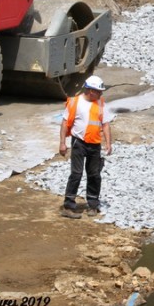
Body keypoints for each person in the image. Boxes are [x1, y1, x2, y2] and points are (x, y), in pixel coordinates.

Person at [59, 75, 114, 219]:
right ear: (90, 91)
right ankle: (68, 206)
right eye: (99, 91)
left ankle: (92, 205)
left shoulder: (101, 104)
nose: (101, 94)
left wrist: (108, 143)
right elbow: (65, 123)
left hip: (94, 144)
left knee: (94, 175)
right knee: (76, 174)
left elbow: (106, 124)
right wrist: (62, 143)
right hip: (79, 143)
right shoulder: (75, 103)